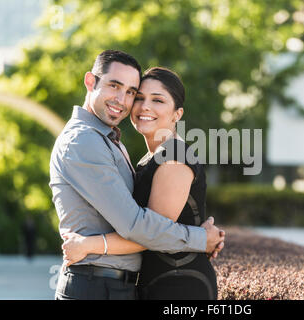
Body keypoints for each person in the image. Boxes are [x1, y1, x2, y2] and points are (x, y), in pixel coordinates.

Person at [50, 50, 224, 300]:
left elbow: (144, 227)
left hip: (168, 282)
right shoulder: (85, 141)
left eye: (131, 91)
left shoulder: (158, 151)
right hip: (97, 284)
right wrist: (200, 238)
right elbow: (138, 226)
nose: (125, 100)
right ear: (91, 82)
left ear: (178, 114)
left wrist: (89, 245)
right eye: (115, 86)